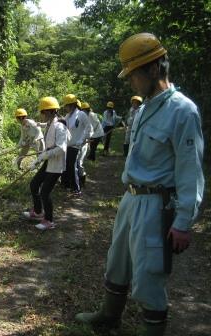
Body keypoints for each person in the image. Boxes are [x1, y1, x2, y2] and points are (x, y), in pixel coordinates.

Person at [75, 33, 204, 335]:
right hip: (131, 198)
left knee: (149, 275)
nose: (130, 81)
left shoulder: (183, 111)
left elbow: (191, 171)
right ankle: (109, 316)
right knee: (117, 261)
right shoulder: (145, 108)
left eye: (133, 74)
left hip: (157, 204)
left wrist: (184, 221)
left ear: (154, 69)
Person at [22, 97, 70, 230]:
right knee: (34, 184)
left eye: (42, 112)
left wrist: (45, 155)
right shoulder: (50, 123)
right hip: (48, 162)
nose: (41, 115)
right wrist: (38, 159)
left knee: (45, 192)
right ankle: (37, 212)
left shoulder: (59, 126)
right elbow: (49, 146)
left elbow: (61, 148)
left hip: (56, 165)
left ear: (49, 111)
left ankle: (49, 221)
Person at [62, 94, 92, 196]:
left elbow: (89, 128)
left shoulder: (81, 114)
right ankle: (68, 186)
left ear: (72, 105)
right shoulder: (67, 116)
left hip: (76, 145)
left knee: (72, 166)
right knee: (67, 166)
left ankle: (76, 189)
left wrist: (82, 139)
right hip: (68, 145)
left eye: (66, 105)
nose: (65, 108)